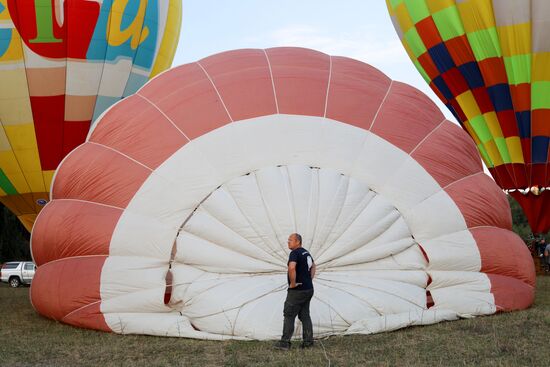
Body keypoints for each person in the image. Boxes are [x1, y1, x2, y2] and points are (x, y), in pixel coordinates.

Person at [274, 233, 316, 350]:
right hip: (308, 289)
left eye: (290, 240)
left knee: (289, 314)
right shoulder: (306, 252)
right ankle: (308, 343)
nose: (288, 242)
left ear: (297, 241)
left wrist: (292, 284)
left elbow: (291, 267)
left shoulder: (294, 253)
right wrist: (309, 279)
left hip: (297, 291)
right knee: (305, 316)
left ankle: (284, 343)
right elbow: (313, 266)